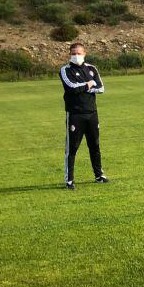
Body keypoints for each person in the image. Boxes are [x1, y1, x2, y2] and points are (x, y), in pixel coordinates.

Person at [60, 42, 108, 190]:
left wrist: (86, 86)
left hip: (92, 113)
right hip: (75, 114)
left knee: (95, 145)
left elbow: (101, 88)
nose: (76, 56)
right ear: (70, 54)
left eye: (79, 53)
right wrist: (88, 84)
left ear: (84, 53)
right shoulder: (65, 70)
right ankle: (69, 181)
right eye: (73, 53)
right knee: (72, 148)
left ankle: (99, 175)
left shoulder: (92, 68)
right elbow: (72, 88)